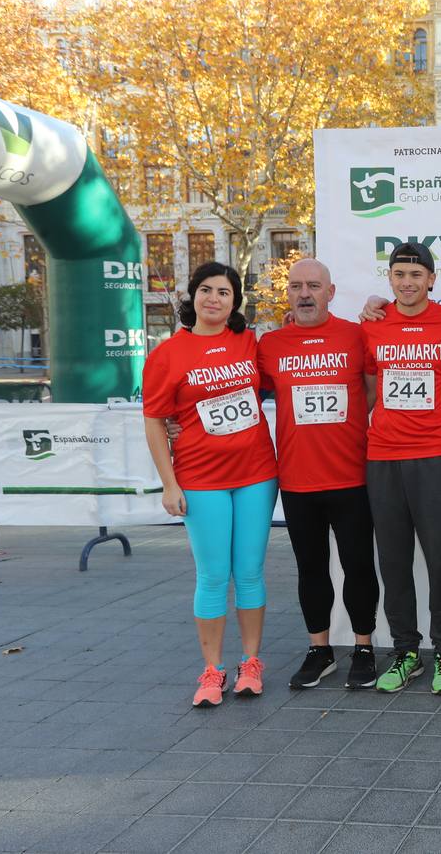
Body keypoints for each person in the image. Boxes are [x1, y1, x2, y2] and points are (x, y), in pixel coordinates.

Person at [142, 262, 279, 707]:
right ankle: (211, 670)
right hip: (201, 479)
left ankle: (251, 663)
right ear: (192, 296)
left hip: (257, 474)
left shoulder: (249, 341)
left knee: (251, 572)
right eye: (206, 290)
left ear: (235, 301)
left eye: (223, 291)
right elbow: (155, 422)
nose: (214, 299)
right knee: (214, 575)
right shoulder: (167, 355)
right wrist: (168, 484)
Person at [257, 258, 380, 690]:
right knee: (311, 568)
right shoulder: (270, 345)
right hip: (297, 480)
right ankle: (320, 650)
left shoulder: (355, 335)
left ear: (331, 291)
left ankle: (363, 648)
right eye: (296, 286)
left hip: (351, 476)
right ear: (287, 294)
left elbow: (371, 389)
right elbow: (230, 389)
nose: (304, 293)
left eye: (313, 285)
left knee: (359, 566)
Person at [362, 242, 441, 694]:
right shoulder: (372, 325)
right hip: (384, 458)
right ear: (389, 279)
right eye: (399, 274)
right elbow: (367, 387)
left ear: (432, 280)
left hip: (435, 457)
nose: (407, 282)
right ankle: (406, 651)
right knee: (393, 563)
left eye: (416, 274)